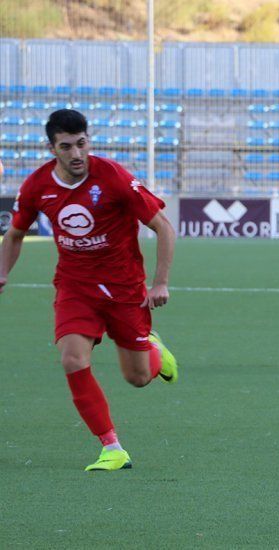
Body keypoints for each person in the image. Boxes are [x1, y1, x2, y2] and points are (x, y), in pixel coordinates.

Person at [0, 109, 179, 471]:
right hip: (75, 286)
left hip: (124, 287)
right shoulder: (37, 185)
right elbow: (15, 234)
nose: (77, 154)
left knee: (138, 378)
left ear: (88, 141)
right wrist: (2, 272)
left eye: (82, 144)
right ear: (52, 148)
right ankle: (112, 448)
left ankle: (152, 348)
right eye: (66, 146)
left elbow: (163, 227)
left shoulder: (113, 176)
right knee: (72, 359)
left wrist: (159, 282)